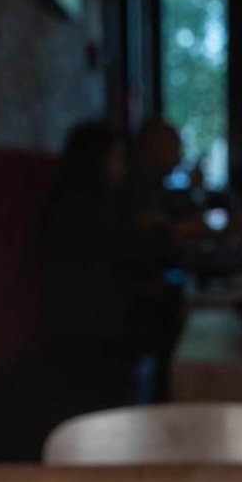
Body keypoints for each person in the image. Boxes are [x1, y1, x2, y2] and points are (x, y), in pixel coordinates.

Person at [41, 120, 181, 408]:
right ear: (95, 161)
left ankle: (166, 396)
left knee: (172, 302)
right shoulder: (77, 209)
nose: (122, 164)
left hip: (98, 311)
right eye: (116, 156)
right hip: (87, 325)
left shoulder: (94, 203)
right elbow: (120, 256)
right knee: (171, 313)